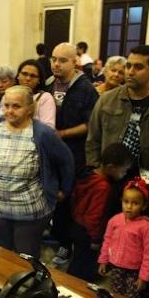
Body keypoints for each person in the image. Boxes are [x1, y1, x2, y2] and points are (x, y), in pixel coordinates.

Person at [0, 85, 74, 257]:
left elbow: (66, 161)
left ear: (30, 109)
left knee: (25, 261)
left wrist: (64, 190)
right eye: (6, 105)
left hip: (29, 214)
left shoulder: (42, 133)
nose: (10, 111)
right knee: (0, 257)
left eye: (16, 106)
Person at [86, 45, 149, 169]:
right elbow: (93, 140)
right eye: (128, 66)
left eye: (138, 67)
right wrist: (96, 171)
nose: (130, 72)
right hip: (109, 176)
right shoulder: (107, 100)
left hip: (148, 179)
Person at [49, 42, 99, 266]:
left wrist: (62, 133)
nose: (56, 64)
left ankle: (67, 245)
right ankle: (59, 238)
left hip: (74, 155)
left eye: (62, 60)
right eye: (54, 59)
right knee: (56, 199)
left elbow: (90, 124)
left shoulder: (86, 89)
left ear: (74, 62)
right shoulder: (49, 85)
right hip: (52, 155)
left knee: (70, 201)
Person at [67, 143, 133, 281]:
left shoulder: (88, 174)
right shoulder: (103, 187)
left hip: (76, 225)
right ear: (110, 167)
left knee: (77, 260)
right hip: (88, 234)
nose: (124, 174)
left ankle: (70, 281)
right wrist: (96, 239)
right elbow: (95, 217)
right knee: (85, 266)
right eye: (123, 170)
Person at [97, 177, 149, 298]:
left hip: (134, 272)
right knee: (115, 296)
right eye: (126, 201)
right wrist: (103, 260)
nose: (129, 206)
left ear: (144, 206)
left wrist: (144, 277)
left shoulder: (148, 228)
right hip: (116, 267)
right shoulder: (115, 220)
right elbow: (107, 241)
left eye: (135, 203)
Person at [16, 59, 56, 128]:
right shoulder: (9, 95)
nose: (28, 78)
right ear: (18, 76)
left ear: (39, 80)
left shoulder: (45, 98)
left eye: (33, 76)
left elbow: (48, 129)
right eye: (24, 74)